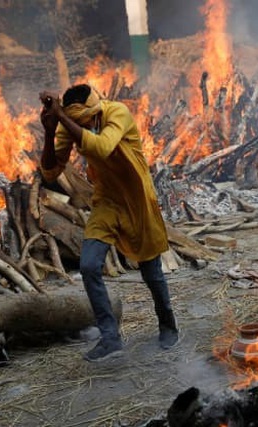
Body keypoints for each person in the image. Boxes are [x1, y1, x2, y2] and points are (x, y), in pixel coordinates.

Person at [38, 84, 179, 362]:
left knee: (151, 271)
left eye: (85, 121)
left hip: (137, 199)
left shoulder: (117, 112)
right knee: (89, 265)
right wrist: (50, 129)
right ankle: (110, 338)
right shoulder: (71, 123)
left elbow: (102, 147)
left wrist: (64, 118)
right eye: (77, 122)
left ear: (94, 110)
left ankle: (167, 325)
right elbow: (52, 171)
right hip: (106, 201)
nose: (83, 126)